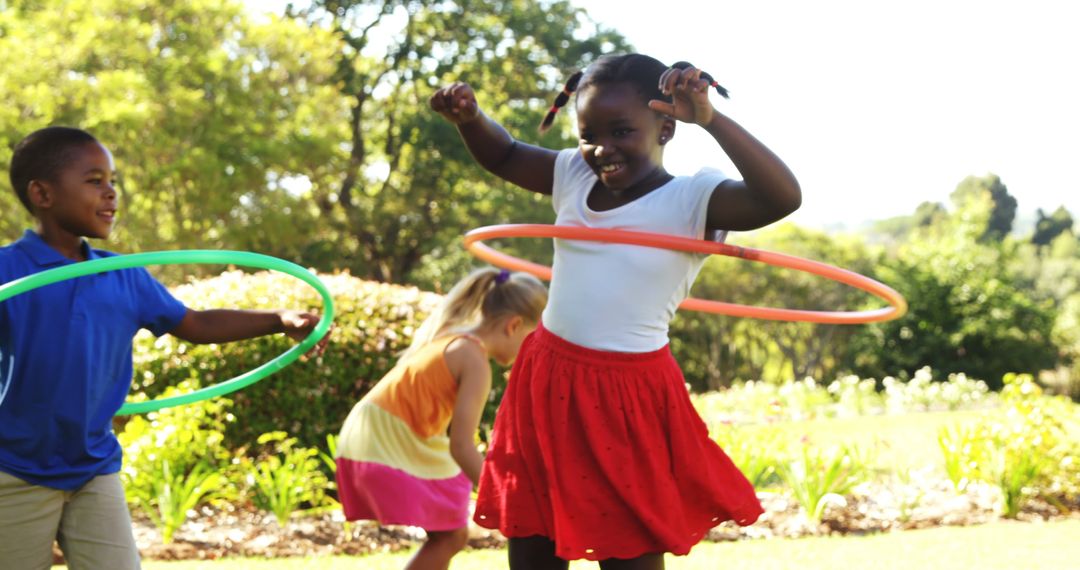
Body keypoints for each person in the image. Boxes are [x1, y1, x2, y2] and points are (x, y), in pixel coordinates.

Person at [430, 53, 802, 569]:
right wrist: (471, 120)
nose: (602, 149)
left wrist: (712, 120)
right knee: (534, 542)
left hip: (629, 393)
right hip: (547, 379)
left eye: (622, 131)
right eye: (589, 133)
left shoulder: (694, 198)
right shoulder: (573, 176)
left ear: (666, 127)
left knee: (629, 551)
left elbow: (780, 198)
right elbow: (507, 155)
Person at [0, 126, 331, 570]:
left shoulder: (123, 274)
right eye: (94, 181)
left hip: (93, 467)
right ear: (42, 193)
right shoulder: (8, 271)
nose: (111, 194)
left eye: (113, 181)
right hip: (15, 468)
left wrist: (278, 319)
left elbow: (193, 323)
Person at [335, 267, 547, 570]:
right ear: (513, 325)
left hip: (374, 432)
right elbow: (460, 446)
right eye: (531, 338)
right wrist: (501, 503)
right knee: (450, 536)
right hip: (387, 440)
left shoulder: (454, 338)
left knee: (450, 534)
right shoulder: (473, 360)